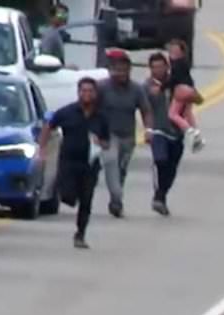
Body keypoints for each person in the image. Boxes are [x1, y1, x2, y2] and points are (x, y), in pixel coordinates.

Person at [35, 77, 110, 249]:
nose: (87, 94)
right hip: (69, 161)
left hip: (89, 164)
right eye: (83, 91)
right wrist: (42, 148)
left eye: (90, 91)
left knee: (86, 199)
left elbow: (107, 141)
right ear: (78, 93)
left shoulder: (101, 116)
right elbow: (49, 126)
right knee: (67, 194)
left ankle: (80, 233)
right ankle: (69, 197)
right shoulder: (67, 112)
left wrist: (100, 142)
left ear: (96, 94)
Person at [96, 48, 153, 218]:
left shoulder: (136, 89)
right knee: (110, 162)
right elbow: (91, 109)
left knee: (121, 168)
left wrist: (148, 130)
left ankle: (115, 200)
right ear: (111, 69)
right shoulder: (102, 87)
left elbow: (146, 110)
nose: (120, 73)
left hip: (128, 135)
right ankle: (117, 196)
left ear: (129, 70)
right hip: (108, 134)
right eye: (117, 69)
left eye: (124, 69)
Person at [143, 51, 183, 216]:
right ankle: (159, 197)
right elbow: (144, 110)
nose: (158, 70)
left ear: (167, 67)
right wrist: (148, 130)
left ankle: (161, 196)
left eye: (161, 66)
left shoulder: (177, 83)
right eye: (154, 67)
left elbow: (196, 99)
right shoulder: (146, 86)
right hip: (159, 131)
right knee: (161, 161)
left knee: (171, 168)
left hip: (176, 132)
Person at [165, 38, 204, 152]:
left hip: (181, 89)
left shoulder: (177, 64)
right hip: (189, 88)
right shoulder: (185, 62)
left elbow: (174, 79)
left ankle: (188, 129)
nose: (173, 53)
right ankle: (196, 136)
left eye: (175, 51)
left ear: (181, 52)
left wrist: (163, 86)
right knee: (187, 113)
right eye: (171, 50)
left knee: (172, 114)